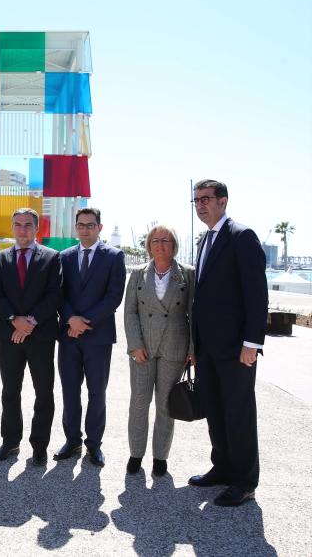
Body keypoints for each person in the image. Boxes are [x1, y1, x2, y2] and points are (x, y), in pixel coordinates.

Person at [188, 179, 267, 507]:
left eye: (207, 199)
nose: (200, 205)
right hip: (207, 348)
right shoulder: (205, 239)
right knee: (216, 411)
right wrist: (194, 345)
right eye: (196, 200)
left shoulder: (241, 236)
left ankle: (244, 482)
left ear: (223, 201)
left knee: (238, 414)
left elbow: (256, 293)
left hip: (236, 348)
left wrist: (252, 342)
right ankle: (222, 468)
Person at [0, 208, 61, 467]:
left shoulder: (52, 258)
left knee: (44, 392)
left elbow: (54, 295)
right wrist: (14, 321)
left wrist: (30, 322)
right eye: (18, 224)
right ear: (12, 227)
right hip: (9, 335)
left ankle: (39, 446)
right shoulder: (0, 258)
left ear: (36, 228)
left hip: (40, 335)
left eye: (28, 225)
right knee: (10, 391)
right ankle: (10, 442)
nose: (22, 229)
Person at [55, 207, 125, 467]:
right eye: (81, 225)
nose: (85, 229)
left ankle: (94, 444)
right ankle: (72, 440)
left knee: (97, 392)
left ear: (100, 227)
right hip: (68, 336)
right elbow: (58, 294)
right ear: (76, 228)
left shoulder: (114, 257)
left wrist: (84, 322)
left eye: (90, 225)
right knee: (70, 390)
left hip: (99, 336)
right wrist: (70, 319)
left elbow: (113, 296)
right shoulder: (64, 257)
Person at [123, 225, 195, 477]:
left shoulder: (187, 274)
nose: (160, 244)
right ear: (149, 245)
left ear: (173, 244)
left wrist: (192, 348)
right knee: (139, 402)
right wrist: (134, 345)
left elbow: (193, 314)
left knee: (166, 404)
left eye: (165, 240)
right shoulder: (138, 274)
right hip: (143, 348)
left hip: (174, 347)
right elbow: (130, 311)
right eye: (155, 240)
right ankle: (135, 454)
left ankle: (160, 456)